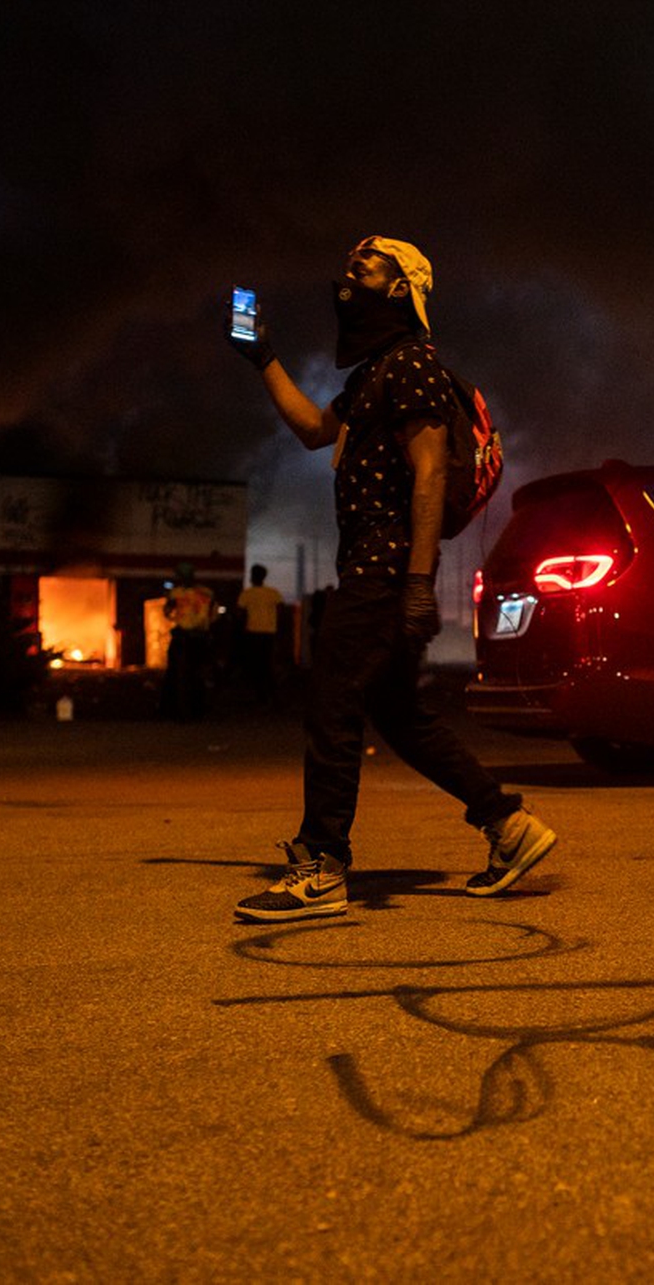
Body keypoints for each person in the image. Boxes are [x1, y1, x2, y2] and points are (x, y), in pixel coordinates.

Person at [225, 235, 555, 922]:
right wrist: (263, 357)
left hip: (384, 566)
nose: (348, 272)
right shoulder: (373, 375)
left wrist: (416, 583)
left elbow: (430, 474)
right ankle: (508, 825)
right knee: (400, 716)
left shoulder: (411, 365)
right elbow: (314, 428)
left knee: (332, 702)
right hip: (375, 565)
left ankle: (322, 865)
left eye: (365, 265)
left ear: (400, 288)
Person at [159, 562, 214, 719]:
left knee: (175, 672)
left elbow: (167, 611)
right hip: (201, 637)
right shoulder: (207, 592)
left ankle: (173, 709)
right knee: (198, 673)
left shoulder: (176, 593)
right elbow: (212, 614)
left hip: (182, 636)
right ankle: (198, 709)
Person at [235, 563, 284, 707]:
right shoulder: (273, 593)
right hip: (269, 632)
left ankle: (261, 695)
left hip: (253, 632)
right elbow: (280, 609)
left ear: (252, 576)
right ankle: (273, 695)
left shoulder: (247, 593)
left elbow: (239, 612)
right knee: (267, 664)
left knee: (256, 665)